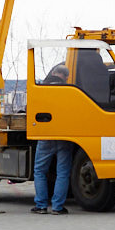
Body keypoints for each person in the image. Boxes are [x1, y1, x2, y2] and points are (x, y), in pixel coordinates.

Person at [31, 63, 74, 215]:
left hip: (45, 134)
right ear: (65, 76)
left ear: (54, 72)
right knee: (62, 172)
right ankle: (57, 207)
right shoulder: (70, 90)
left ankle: (41, 205)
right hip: (63, 135)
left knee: (39, 171)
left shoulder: (42, 87)